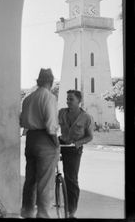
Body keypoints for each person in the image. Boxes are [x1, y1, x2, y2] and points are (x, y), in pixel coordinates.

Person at [20, 68, 60, 218]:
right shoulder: (49, 97)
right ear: (50, 81)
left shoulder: (28, 98)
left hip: (31, 139)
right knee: (44, 181)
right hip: (44, 139)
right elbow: (50, 125)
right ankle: (43, 214)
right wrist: (56, 143)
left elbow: (22, 120)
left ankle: (26, 212)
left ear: (38, 81)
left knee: (30, 180)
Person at [58, 90, 93, 218]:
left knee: (71, 179)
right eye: (67, 99)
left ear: (79, 101)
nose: (68, 101)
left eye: (71, 99)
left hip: (74, 148)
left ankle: (71, 211)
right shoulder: (61, 112)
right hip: (62, 142)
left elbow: (89, 137)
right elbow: (52, 125)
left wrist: (78, 143)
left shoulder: (86, 117)